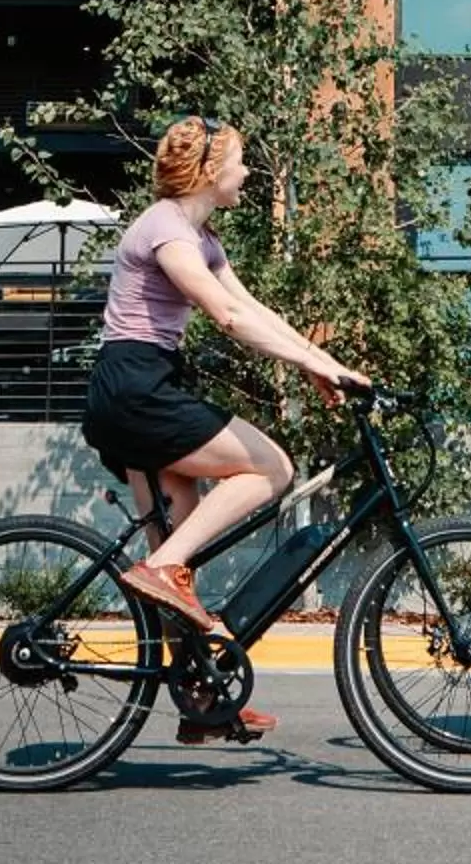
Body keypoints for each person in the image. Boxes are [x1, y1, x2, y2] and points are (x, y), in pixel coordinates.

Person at [82, 114, 369, 743]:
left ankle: (200, 698)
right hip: (134, 387)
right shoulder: (165, 228)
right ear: (211, 171)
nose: (246, 173)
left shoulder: (202, 237)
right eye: (240, 162)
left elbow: (257, 309)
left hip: (146, 387)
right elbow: (228, 317)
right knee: (271, 467)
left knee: (177, 561)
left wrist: (326, 364)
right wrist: (315, 364)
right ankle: (163, 571)